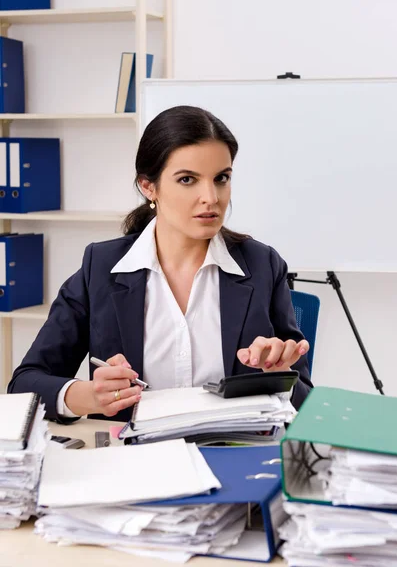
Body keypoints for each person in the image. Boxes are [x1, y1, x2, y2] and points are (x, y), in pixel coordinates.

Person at [8, 106, 312, 423]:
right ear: (148, 187)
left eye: (221, 178)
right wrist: (89, 396)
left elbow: (305, 397)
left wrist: (283, 376)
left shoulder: (262, 265)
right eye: (187, 180)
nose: (211, 197)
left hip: (230, 454)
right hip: (134, 460)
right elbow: (25, 385)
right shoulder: (101, 268)